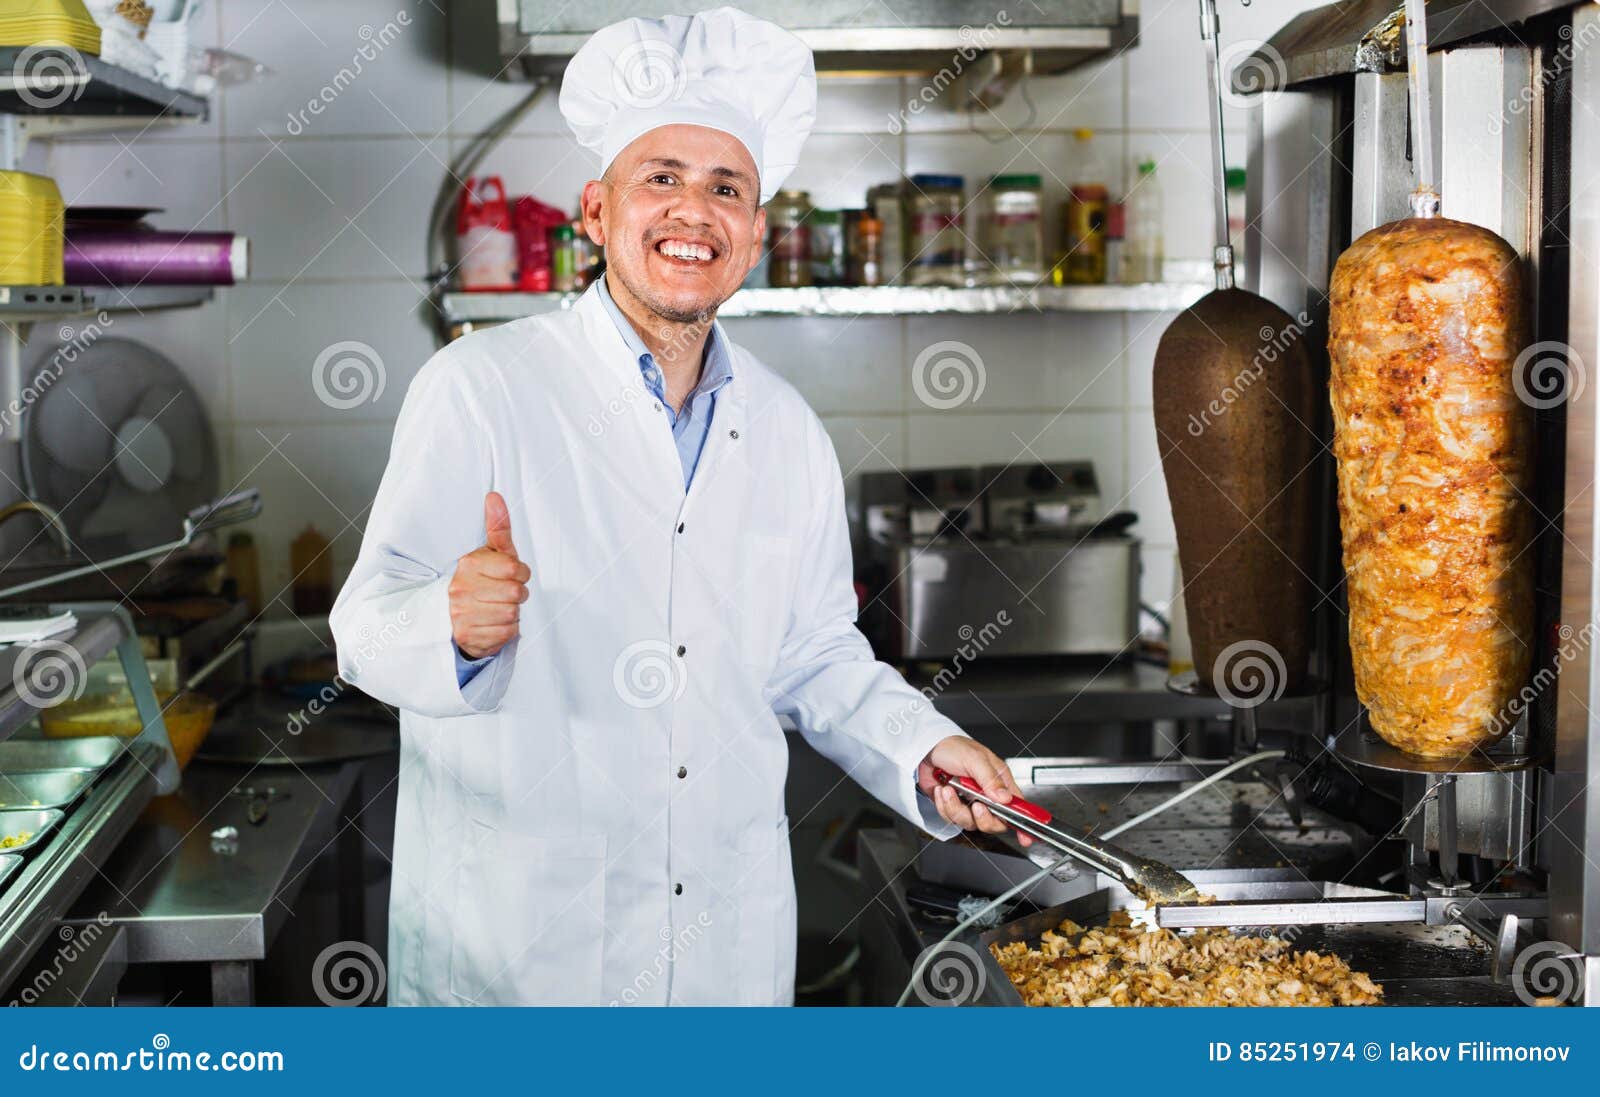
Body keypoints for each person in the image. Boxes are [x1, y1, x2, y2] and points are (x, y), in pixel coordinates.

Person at [331, 5, 1023, 1006]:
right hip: (520, 957)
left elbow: (815, 652)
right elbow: (362, 627)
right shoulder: (480, 385)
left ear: (753, 236)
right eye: (661, 177)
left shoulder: (785, 428)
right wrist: (450, 623)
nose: (693, 211)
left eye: (726, 188)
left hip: (722, 961)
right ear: (596, 210)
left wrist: (922, 749)